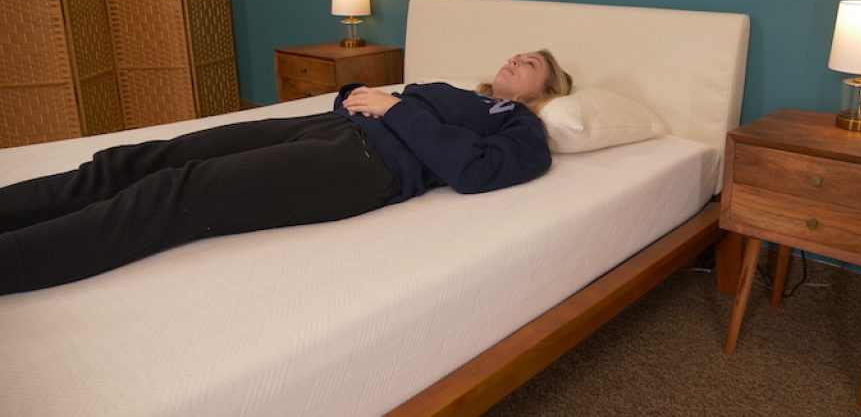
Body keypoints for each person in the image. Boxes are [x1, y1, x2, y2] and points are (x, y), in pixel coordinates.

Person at [0, 50, 573, 295]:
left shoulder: (522, 131)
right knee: (147, 157)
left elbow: (471, 172)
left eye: (531, 65)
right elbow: (373, 97)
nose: (515, 60)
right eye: (516, 53)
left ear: (546, 90)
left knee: (177, 193)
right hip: (330, 131)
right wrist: (357, 96)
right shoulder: (456, 90)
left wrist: (395, 109)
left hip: (365, 166)